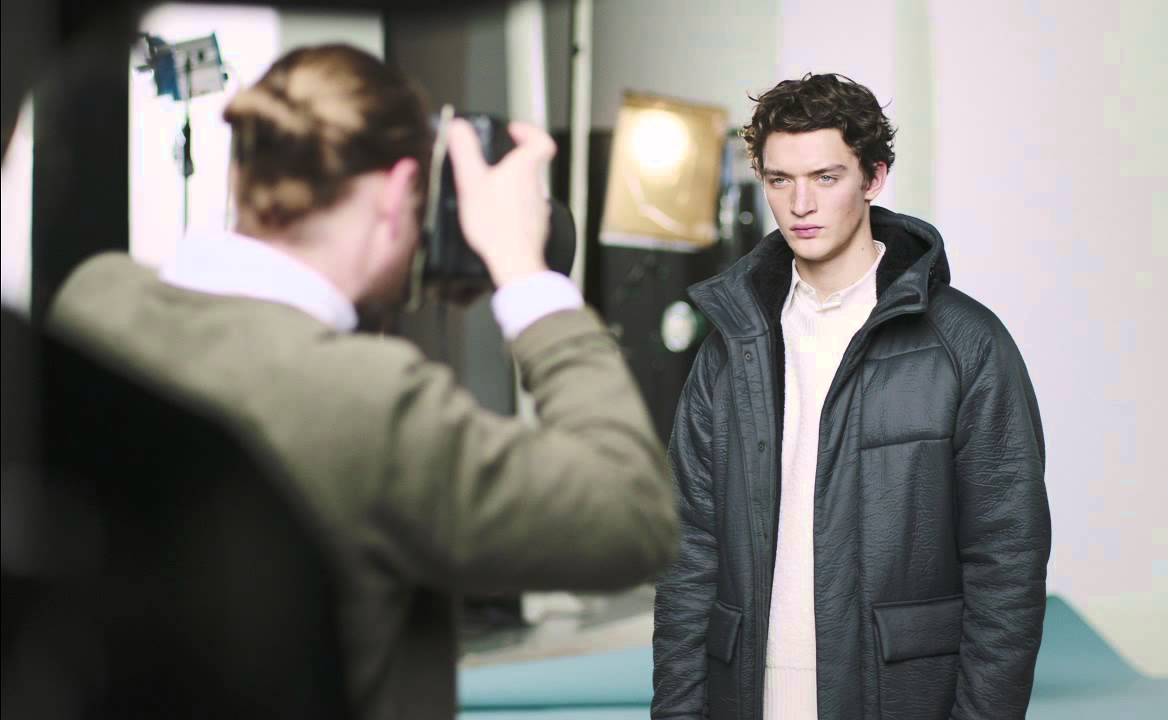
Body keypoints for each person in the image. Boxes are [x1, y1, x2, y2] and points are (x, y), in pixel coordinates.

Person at [48, 44, 679, 719]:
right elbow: (632, 514)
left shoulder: (93, 301)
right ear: (398, 192)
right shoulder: (370, 401)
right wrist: (526, 273)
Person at [651, 73, 1051, 720]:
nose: (800, 203)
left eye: (826, 177)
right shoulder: (731, 345)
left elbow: (1007, 560)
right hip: (745, 689)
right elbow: (688, 551)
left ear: (874, 178)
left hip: (897, 692)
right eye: (780, 180)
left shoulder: (966, 344)